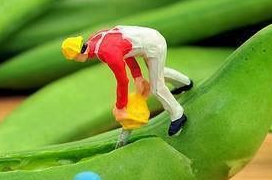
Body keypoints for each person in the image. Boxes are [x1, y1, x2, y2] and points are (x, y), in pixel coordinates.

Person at [61, 26, 193, 136]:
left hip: (153, 45)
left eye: (74, 58)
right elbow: (125, 52)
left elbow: (123, 81)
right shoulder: (96, 39)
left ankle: (178, 115)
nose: (75, 60)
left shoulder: (107, 53)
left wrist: (121, 106)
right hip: (149, 38)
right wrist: (138, 76)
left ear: (78, 54)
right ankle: (185, 83)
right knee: (158, 72)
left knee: (156, 87)